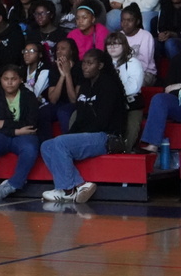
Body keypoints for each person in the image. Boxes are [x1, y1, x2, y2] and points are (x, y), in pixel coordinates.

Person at [40, 49, 128, 204]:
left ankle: (70, 188)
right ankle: (75, 188)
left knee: (60, 143)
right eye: (83, 63)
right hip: (90, 135)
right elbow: (81, 116)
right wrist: (73, 137)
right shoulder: (86, 85)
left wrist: (75, 138)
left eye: (90, 63)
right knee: (47, 145)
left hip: (108, 136)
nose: (84, 67)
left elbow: (103, 120)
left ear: (100, 65)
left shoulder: (109, 85)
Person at [0, 65, 40, 201]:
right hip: (4, 136)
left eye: (14, 79)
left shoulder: (29, 96)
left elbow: (31, 124)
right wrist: (16, 130)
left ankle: (13, 185)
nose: (9, 82)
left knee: (30, 147)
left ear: (21, 80)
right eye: (6, 79)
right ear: (0, 80)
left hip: (22, 137)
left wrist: (3, 123)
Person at [104, 32, 145, 149]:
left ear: (124, 45)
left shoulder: (133, 62)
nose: (112, 47)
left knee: (132, 127)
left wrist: (113, 92)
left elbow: (134, 86)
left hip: (131, 103)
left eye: (116, 44)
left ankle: (126, 150)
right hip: (109, 103)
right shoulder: (102, 64)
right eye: (109, 45)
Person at [118, 3, 157, 85]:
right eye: (123, 20)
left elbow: (144, 64)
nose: (125, 23)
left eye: (129, 20)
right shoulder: (119, 36)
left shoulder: (146, 36)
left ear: (137, 21)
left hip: (145, 73)